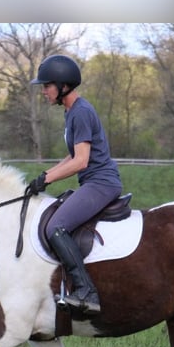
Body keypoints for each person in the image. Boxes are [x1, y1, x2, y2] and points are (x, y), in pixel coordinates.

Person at [27, 54, 123, 316]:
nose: (44, 91)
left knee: (57, 227)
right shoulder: (72, 112)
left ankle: (86, 292)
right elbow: (73, 155)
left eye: (47, 86)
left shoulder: (80, 112)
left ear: (63, 86)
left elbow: (81, 161)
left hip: (101, 183)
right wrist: (45, 175)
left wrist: (48, 178)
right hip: (94, 181)